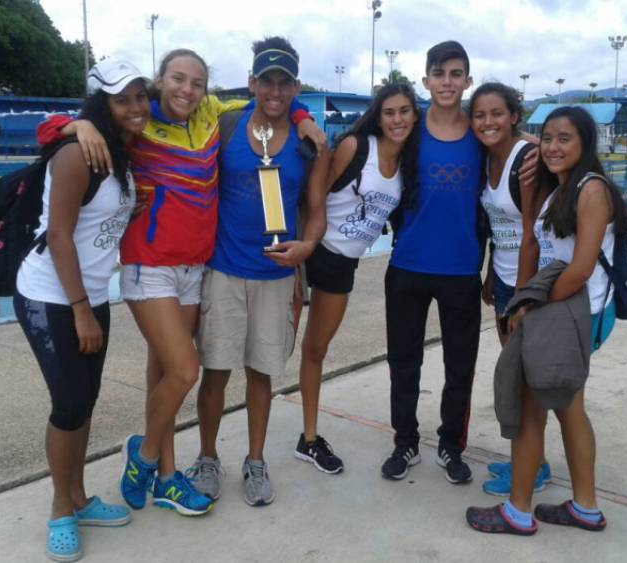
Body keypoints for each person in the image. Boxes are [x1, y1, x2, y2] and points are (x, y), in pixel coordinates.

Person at [36, 49, 324, 517]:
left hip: (195, 267)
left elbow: (272, 101)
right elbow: (55, 129)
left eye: (196, 82)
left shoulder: (213, 113)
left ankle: (168, 477)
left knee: (166, 371)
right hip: (150, 264)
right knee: (187, 369)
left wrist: (303, 112)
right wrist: (76, 125)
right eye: (177, 79)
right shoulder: (137, 117)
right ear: (160, 81)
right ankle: (147, 455)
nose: (186, 90)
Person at [466, 106, 627, 535]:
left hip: (573, 311)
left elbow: (579, 267)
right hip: (564, 308)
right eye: (549, 138)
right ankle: (585, 508)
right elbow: (543, 248)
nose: (553, 147)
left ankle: (518, 511)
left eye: (565, 139)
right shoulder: (562, 189)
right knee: (568, 410)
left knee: (533, 406)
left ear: (585, 144)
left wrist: (528, 308)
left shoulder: (592, 190)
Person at [14, 60, 147, 561]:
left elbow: (96, 220)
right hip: (53, 296)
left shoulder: (117, 152)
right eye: (121, 99)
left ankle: (79, 496)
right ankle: (58, 509)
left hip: (90, 294)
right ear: (101, 104)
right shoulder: (76, 154)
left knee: (84, 402)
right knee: (69, 403)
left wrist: (128, 209)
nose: (134, 107)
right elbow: (60, 235)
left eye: (139, 96)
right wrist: (80, 311)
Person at [191, 36, 330, 506]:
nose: (274, 90)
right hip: (224, 272)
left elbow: (316, 209)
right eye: (266, 80)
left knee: (260, 374)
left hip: (275, 278)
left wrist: (307, 247)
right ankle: (208, 458)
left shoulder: (309, 144)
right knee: (215, 372)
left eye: (284, 82)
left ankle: (255, 461)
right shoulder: (226, 125)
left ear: (295, 87)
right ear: (251, 82)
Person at [296, 83, 420, 474]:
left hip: (342, 263)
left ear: (414, 116)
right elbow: (317, 179)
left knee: (316, 348)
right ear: (378, 116)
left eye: (404, 111)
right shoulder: (356, 147)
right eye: (389, 112)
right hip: (313, 249)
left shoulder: (408, 163)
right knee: (275, 345)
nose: (397, 119)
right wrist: (311, 231)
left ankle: (309, 439)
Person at [380, 40, 487, 484]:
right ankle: (404, 441)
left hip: (462, 270)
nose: (447, 82)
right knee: (404, 363)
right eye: (439, 74)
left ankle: (450, 445)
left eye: (455, 73)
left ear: (467, 80)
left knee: (459, 367)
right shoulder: (408, 131)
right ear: (426, 80)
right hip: (408, 266)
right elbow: (363, 137)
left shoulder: (481, 135)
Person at [470, 82, 553, 496]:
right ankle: (529, 456)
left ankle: (534, 467)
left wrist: (522, 298)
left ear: (514, 116)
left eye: (497, 113)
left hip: (528, 285)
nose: (488, 122)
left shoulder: (527, 159)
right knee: (518, 377)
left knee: (529, 379)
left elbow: (530, 235)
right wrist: (491, 276)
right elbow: (495, 229)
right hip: (503, 279)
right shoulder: (487, 158)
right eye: (480, 115)